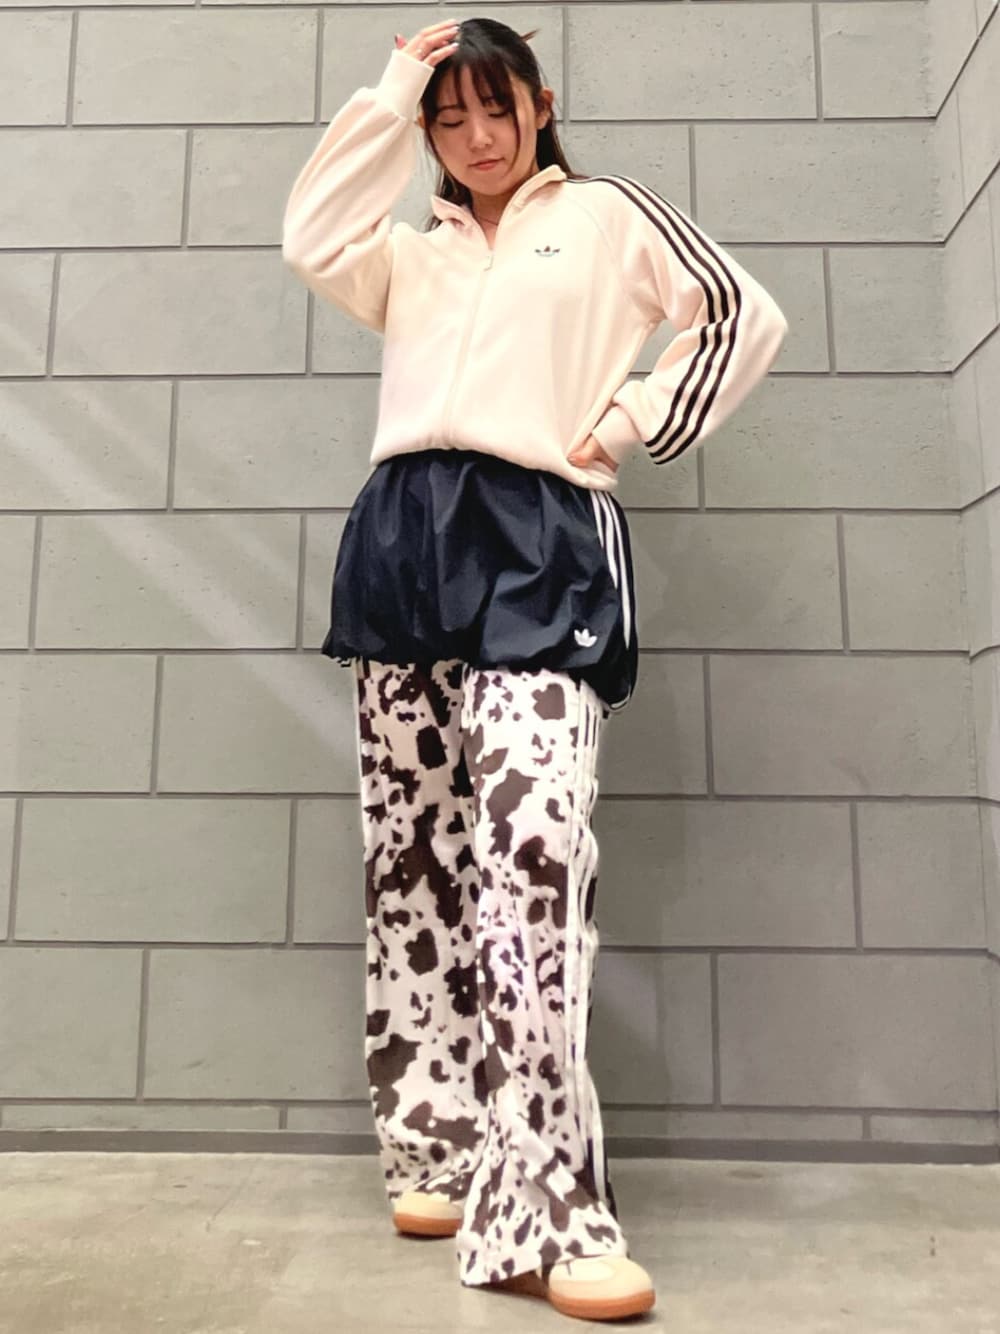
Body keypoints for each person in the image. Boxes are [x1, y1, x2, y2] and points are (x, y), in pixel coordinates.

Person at [282, 15, 788, 1322]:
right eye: (448, 118)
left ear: (540, 103)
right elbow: (312, 235)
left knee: (533, 860)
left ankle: (552, 1212)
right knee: (413, 866)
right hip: (402, 545)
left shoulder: (608, 217)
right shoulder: (413, 252)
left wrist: (631, 419)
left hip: (540, 545)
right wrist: (393, 87)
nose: (475, 136)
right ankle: (437, 1149)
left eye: (493, 107)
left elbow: (742, 313)